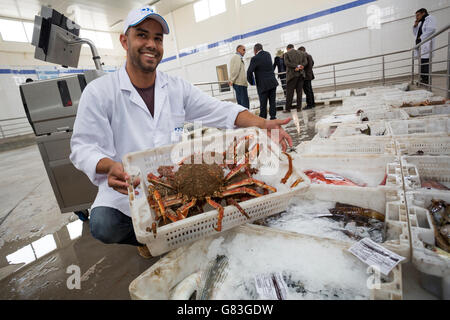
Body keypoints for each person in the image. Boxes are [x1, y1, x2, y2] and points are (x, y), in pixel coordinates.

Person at [70, 6, 293, 258]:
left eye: (157, 38)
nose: (151, 44)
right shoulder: (100, 92)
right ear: (124, 41)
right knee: (103, 224)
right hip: (127, 184)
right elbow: (82, 147)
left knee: (219, 192)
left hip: (173, 179)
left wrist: (263, 123)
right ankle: (150, 240)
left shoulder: (176, 88)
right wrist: (108, 165)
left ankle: (181, 230)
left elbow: (221, 111)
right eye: (142, 35)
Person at [247, 43, 279, 120]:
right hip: (272, 82)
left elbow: (249, 72)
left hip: (263, 84)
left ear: (255, 50)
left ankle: (263, 119)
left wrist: (252, 82)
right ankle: (273, 117)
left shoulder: (255, 58)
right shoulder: (268, 54)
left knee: (263, 103)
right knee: (272, 101)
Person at [412, 8, 436, 85]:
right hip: (420, 45)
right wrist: (415, 26)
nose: (417, 17)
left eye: (418, 15)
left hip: (426, 45)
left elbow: (431, 29)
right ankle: (423, 80)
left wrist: (421, 37)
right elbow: (415, 34)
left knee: (425, 63)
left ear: (423, 13)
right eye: (416, 16)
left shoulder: (430, 18)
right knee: (422, 63)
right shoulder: (420, 23)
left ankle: (426, 81)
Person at [283, 44, 307, 112]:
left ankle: (288, 109)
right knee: (299, 92)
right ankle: (299, 108)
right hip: (301, 75)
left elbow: (287, 63)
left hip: (292, 75)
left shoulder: (287, 54)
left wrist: (297, 66)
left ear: (288, 48)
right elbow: (305, 62)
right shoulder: (301, 53)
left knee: (290, 93)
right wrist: (299, 66)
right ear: (293, 47)